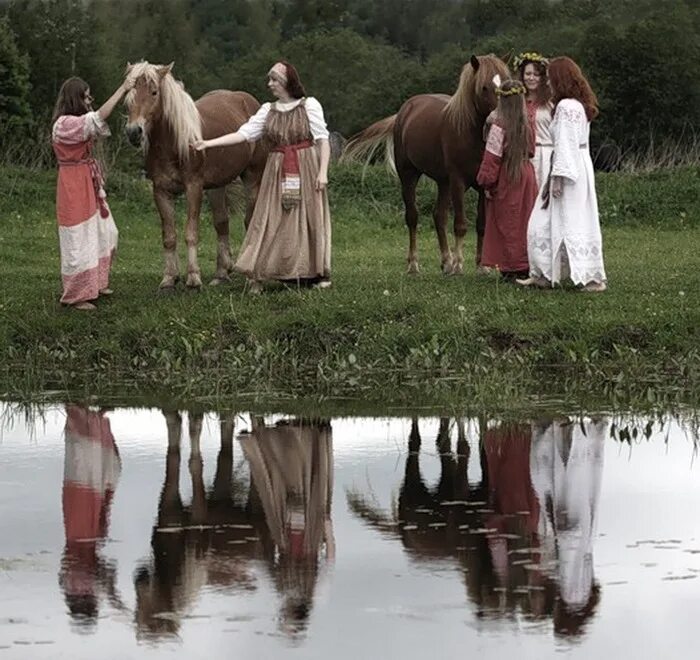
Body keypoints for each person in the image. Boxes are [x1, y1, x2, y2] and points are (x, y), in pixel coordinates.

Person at [194, 61, 331, 293]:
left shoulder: (310, 106)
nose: (270, 84)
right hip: (277, 168)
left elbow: (322, 139)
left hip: (304, 165)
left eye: (274, 80)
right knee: (272, 218)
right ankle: (273, 270)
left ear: (287, 82)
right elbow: (243, 134)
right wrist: (207, 143)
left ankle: (315, 272)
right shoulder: (268, 110)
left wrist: (323, 171)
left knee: (308, 217)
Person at [517, 57, 607, 292]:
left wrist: (557, 178)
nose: (548, 83)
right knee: (548, 221)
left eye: (550, 78)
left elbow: (566, 143)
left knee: (569, 221)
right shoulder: (577, 105)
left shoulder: (567, 107)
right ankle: (544, 274)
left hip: (569, 172)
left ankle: (590, 279)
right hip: (578, 166)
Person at [52, 77, 131, 310]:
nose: (89, 100)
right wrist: (123, 88)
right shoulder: (64, 124)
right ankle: (77, 295)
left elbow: (94, 122)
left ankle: (96, 282)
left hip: (87, 180)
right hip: (73, 184)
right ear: (76, 98)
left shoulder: (76, 121)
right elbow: (97, 118)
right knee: (78, 237)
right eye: (86, 96)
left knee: (105, 232)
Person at [476, 79, 539, 279]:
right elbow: (531, 150)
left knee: (507, 222)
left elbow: (492, 157)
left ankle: (511, 267)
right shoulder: (527, 122)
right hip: (526, 175)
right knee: (526, 220)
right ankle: (527, 263)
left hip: (508, 175)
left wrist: (486, 181)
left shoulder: (499, 125)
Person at [514, 51, 553, 190]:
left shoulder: (550, 103)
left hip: (546, 157)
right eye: (528, 74)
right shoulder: (517, 101)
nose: (531, 78)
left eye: (536, 75)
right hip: (522, 160)